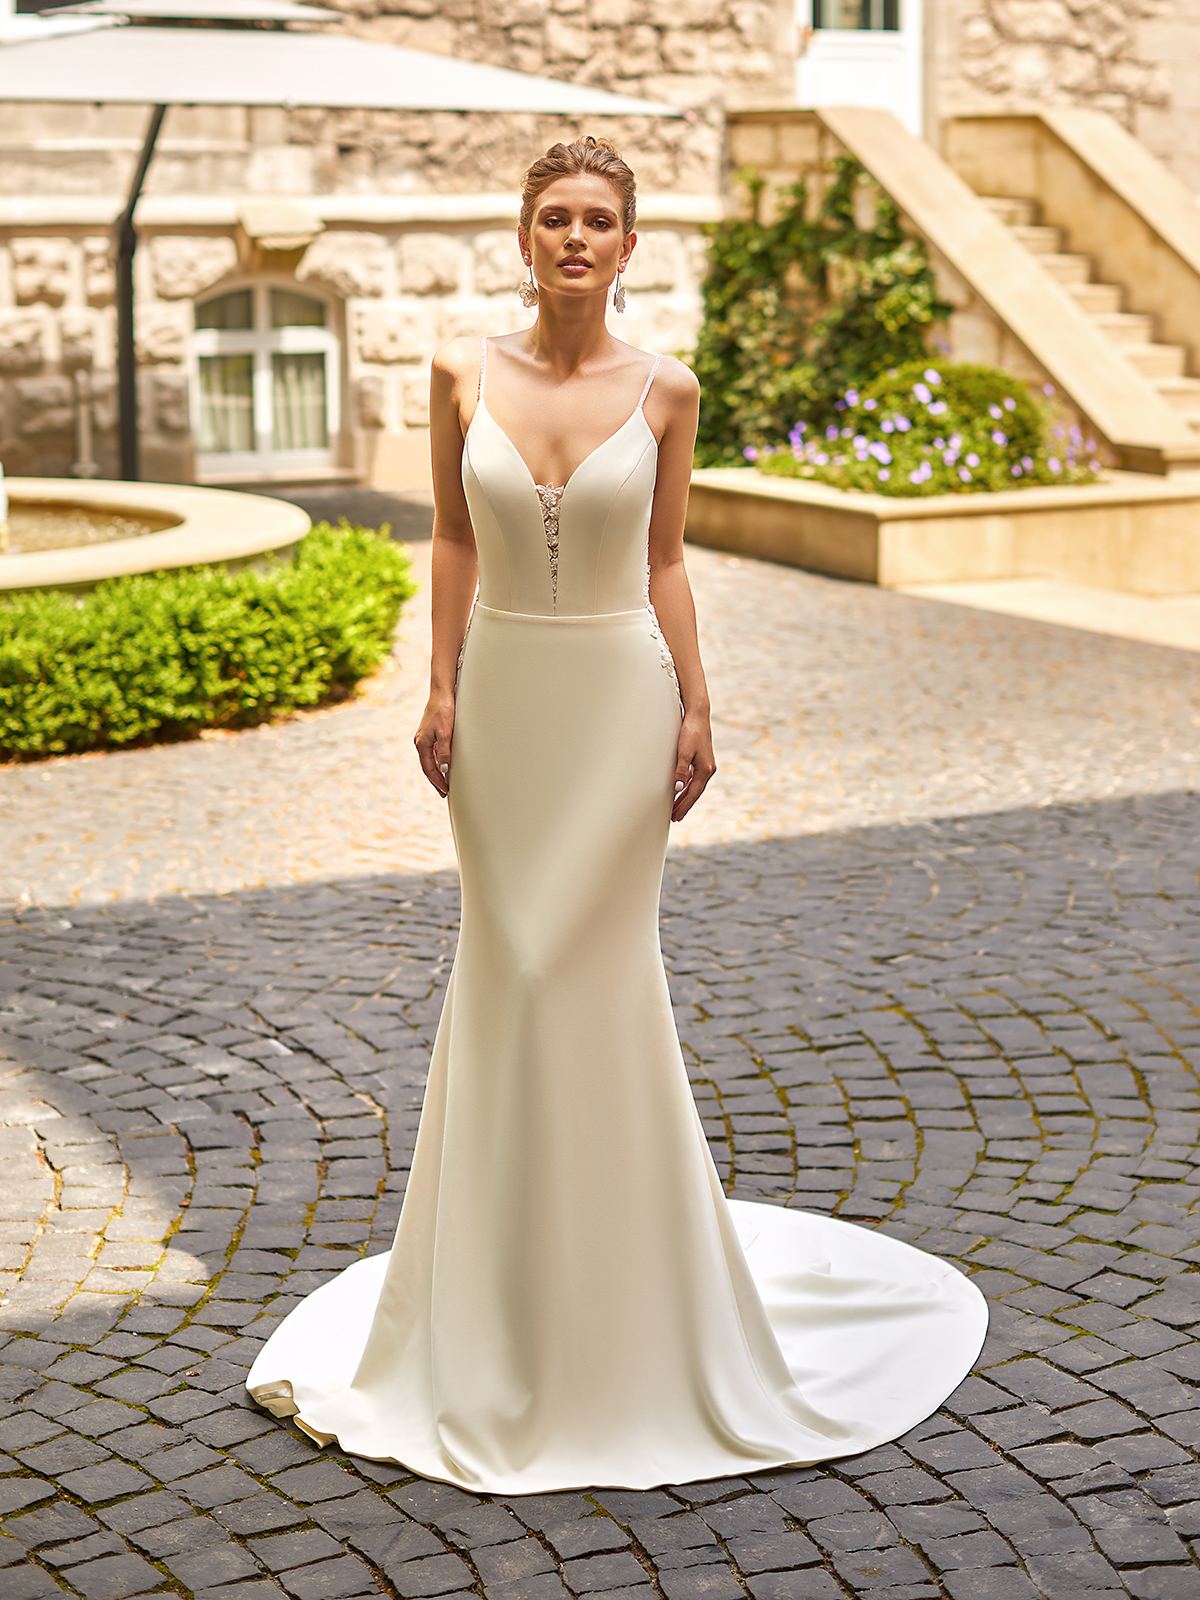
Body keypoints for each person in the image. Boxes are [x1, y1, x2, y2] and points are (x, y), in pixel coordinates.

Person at [247, 136, 987, 1493]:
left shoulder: (668, 391)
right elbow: (456, 540)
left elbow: (664, 560)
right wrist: (440, 687)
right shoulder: (461, 370)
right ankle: (499, 1294)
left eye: (599, 222)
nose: (577, 240)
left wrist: (699, 707)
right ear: (522, 239)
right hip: (508, 708)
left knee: (583, 977)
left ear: (630, 247)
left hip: (617, 707)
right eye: (555, 219)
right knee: (508, 970)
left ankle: (620, 1312)